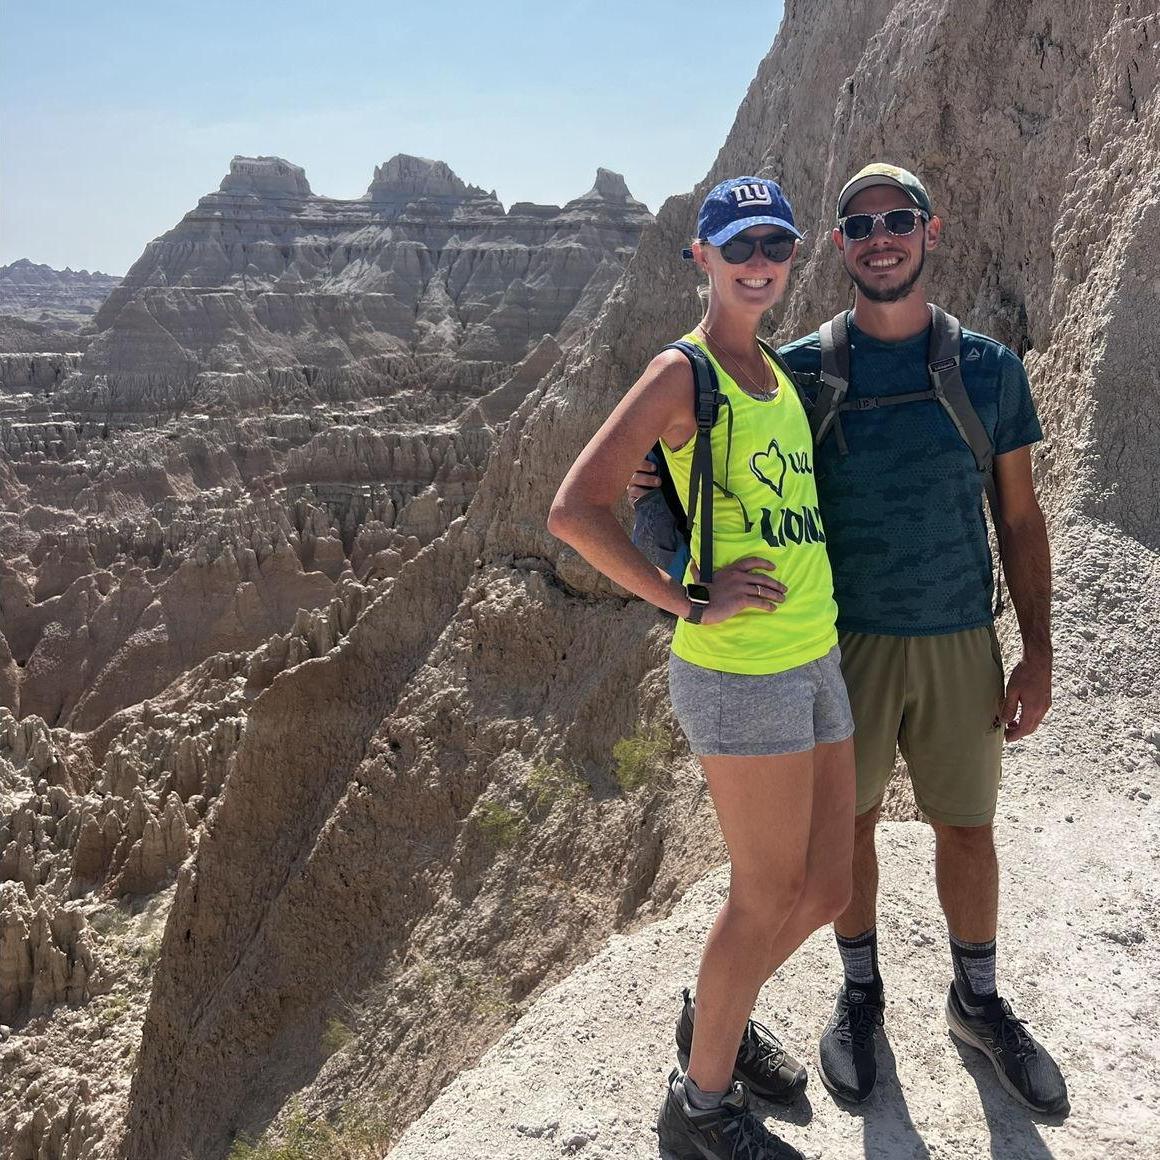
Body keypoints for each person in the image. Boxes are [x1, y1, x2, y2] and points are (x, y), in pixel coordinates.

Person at [630, 163, 1068, 1117]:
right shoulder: (795, 368)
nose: (882, 237)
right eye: (861, 223)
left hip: (959, 634)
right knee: (849, 837)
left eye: (898, 220)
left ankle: (976, 999)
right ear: (838, 245)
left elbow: (1022, 519)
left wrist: (1036, 649)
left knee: (967, 827)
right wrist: (688, 592)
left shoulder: (989, 370)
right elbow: (660, 484)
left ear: (930, 230)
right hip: (837, 646)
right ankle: (857, 996)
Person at [550, 176, 856, 1160]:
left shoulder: (769, 368)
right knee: (765, 891)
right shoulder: (681, 373)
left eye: (774, 244)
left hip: (812, 650)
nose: (758, 261)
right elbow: (572, 508)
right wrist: (686, 598)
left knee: (825, 888)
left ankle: (712, 1012)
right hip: (737, 670)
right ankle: (700, 1107)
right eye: (739, 246)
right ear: (703, 257)